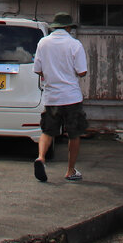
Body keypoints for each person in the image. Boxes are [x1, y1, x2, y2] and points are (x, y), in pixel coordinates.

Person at [32, 12, 88, 183]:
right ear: (69, 28)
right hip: (71, 97)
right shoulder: (74, 44)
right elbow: (82, 71)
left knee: (48, 131)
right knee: (74, 134)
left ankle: (41, 158)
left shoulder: (43, 43)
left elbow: (38, 69)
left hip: (52, 97)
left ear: (54, 27)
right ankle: (70, 171)